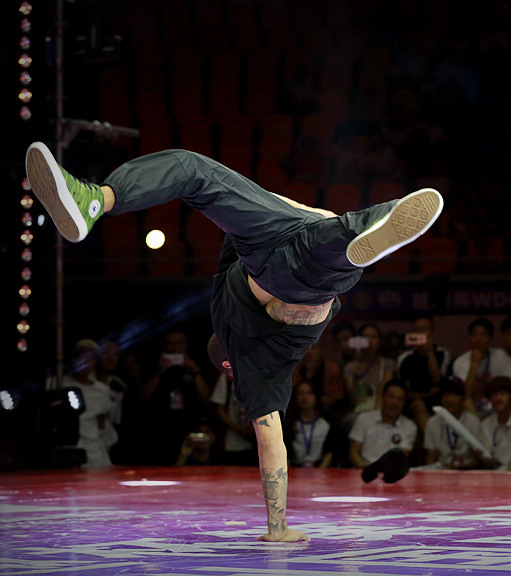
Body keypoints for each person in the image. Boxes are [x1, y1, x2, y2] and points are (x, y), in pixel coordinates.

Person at [26, 142, 443, 543]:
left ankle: (90, 200)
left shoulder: (252, 364)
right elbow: (233, 218)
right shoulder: (233, 330)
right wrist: (274, 205)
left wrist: (278, 527)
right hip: (289, 257)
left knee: (324, 251)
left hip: (294, 263)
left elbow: (271, 443)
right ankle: (103, 197)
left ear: (227, 366)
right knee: (197, 172)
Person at [138, 330, 212, 465]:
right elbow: (141, 398)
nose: (174, 347)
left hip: (189, 428)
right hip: (158, 430)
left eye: (178, 343)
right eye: (170, 343)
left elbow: (207, 399)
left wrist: (195, 372)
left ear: (186, 344)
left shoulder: (195, 363)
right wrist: (159, 373)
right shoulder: (153, 364)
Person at [57, 339, 118, 467]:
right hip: (66, 450)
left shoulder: (102, 390)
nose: (84, 362)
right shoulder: (58, 383)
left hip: (94, 452)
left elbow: (106, 421)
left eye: (90, 358)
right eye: (81, 357)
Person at [450, 317, 511, 417]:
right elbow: (466, 393)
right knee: (465, 401)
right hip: (474, 405)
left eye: (484, 335)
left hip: (496, 400)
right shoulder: (460, 362)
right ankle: (478, 425)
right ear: (469, 338)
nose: (479, 339)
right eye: (475, 335)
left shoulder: (502, 357)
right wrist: (473, 364)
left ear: (490, 339)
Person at [396, 313, 450, 434]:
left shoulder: (442, 354)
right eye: (417, 329)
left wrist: (430, 352)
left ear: (433, 331)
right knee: (418, 405)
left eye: (425, 328)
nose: (422, 332)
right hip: (413, 402)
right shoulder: (405, 358)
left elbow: (438, 381)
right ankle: (434, 443)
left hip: (438, 401)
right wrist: (428, 394)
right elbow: (406, 393)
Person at [349, 379, 418, 470]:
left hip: (391, 474)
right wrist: (364, 469)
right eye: (391, 396)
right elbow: (353, 451)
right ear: (382, 398)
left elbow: (401, 456)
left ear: (404, 402)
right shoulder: (364, 419)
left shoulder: (410, 427)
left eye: (399, 399)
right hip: (363, 470)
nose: (394, 402)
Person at [421, 376, 481, 470]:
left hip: (467, 471)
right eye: (445, 395)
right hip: (442, 471)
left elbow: (478, 458)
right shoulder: (432, 422)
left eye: (454, 395)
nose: (449, 399)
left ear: (463, 398)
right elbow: (431, 456)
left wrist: (460, 469)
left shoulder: (473, 421)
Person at [343, 323, 396, 418]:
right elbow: (353, 399)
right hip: (359, 411)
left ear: (379, 341)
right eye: (365, 337)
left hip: (381, 411)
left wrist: (373, 418)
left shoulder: (388, 364)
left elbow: (383, 393)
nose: (369, 341)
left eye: (374, 337)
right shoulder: (350, 367)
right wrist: (355, 379)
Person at [478, 376, 511, 471]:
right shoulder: (486, 424)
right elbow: (487, 460)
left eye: (502, 394)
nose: (498, 398)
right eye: (494, 395)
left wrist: (504, 475)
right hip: (492, 473)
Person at [284, 381, 339, 468]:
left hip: (322, 469)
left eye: (309, 393)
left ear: (316, 396)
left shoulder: (328, 422)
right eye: (300, 393)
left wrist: (320, 471)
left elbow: (330, 452)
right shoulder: (288, 423)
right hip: (295, 469)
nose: (304, 397)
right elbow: (285, 452)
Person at [210, 371, 257, 466]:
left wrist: (253, 428)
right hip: (230, 442)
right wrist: (239, 429)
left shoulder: (260, 374)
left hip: (255, 441)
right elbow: (220, 410)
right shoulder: (227, 376)